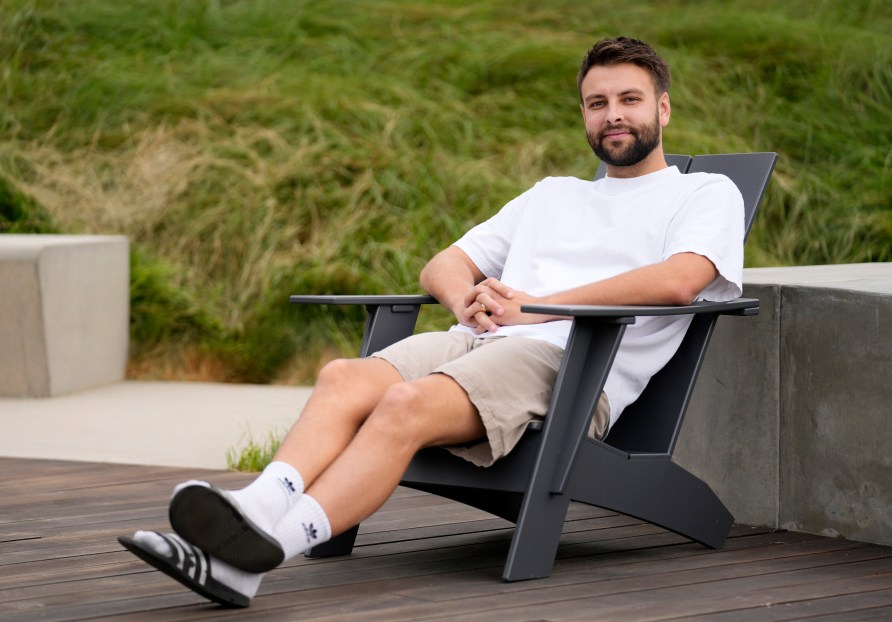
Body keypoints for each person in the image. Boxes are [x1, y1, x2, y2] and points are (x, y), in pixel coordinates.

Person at [118, 36, 744, 608]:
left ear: (663, 109)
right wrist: (462, 300)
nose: (612, 114)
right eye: (596, 102)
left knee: (403, 407)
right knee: (343, 377)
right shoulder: (554, 193)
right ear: (582, 114)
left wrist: (537, 306)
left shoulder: (704, 192)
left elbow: (680, 279)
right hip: (479, 341)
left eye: (629, 99)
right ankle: (251, 513)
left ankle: (263, 554)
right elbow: (446, 263)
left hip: (572, 365)